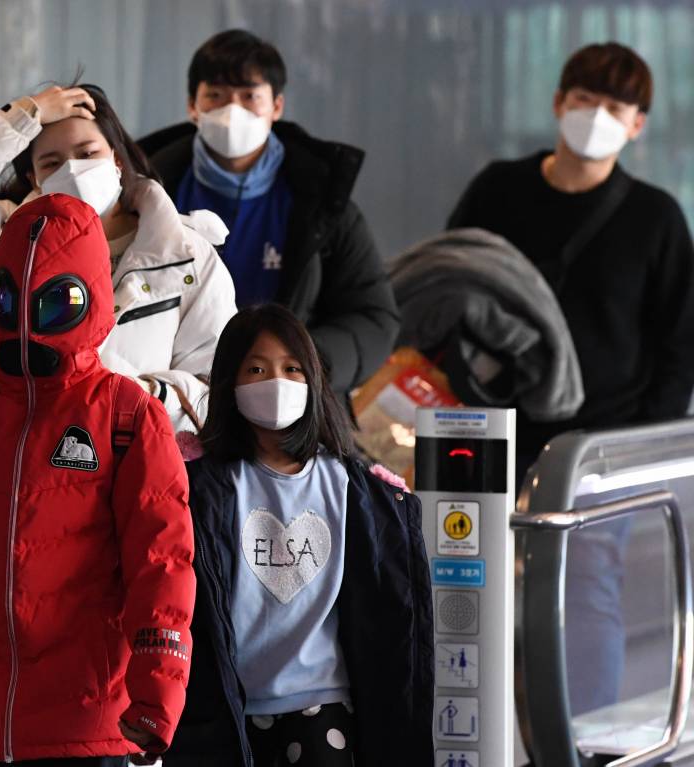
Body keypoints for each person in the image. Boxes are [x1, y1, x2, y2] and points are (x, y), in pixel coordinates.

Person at [0, 193, 196, 766]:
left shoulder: (126, 415)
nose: (26, 324)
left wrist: (157, 696)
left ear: (91, 299)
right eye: (10, 301)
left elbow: (161, 568)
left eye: (53, 306)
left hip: (86, 722)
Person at [447, 41, 694, 714]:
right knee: (470, 587)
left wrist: (637, 449)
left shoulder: (657, 219)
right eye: (585, 99)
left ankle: (584, 734)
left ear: (639, 123)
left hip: (597, 445)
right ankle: (478, 732)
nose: (597, 115)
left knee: (585, 590)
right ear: (558, 103)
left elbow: (679, 345)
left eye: (616, 106)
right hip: (491, 431)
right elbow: (447, 288)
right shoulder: (498, 188)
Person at [163, 304, 433, 767]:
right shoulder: (196, 486)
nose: (276, 382)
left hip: (323, 706)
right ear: (229, 382)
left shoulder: (358, 489)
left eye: (292, 368)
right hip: (223, 710)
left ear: (313, 381)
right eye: (256, 368)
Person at [0, 83, 236, 432]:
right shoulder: (8, 240)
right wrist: (27, 115)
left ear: (116, 159)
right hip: (31, 455)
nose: (72, 171)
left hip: (141, 461)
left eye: (87, 154)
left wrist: (140, 395)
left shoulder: (186, 254)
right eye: (52, 163)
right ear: (34, 179)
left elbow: (215, 386)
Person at [137, 29, 400, 399]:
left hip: (291, 409)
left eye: (249, 96)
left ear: (276, 106)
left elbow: (373, 318)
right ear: (192, 107)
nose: (232, 110)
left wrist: (296, 366)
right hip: (172, 400)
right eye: (216, 95)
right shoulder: (146, 192)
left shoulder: (322, 205)